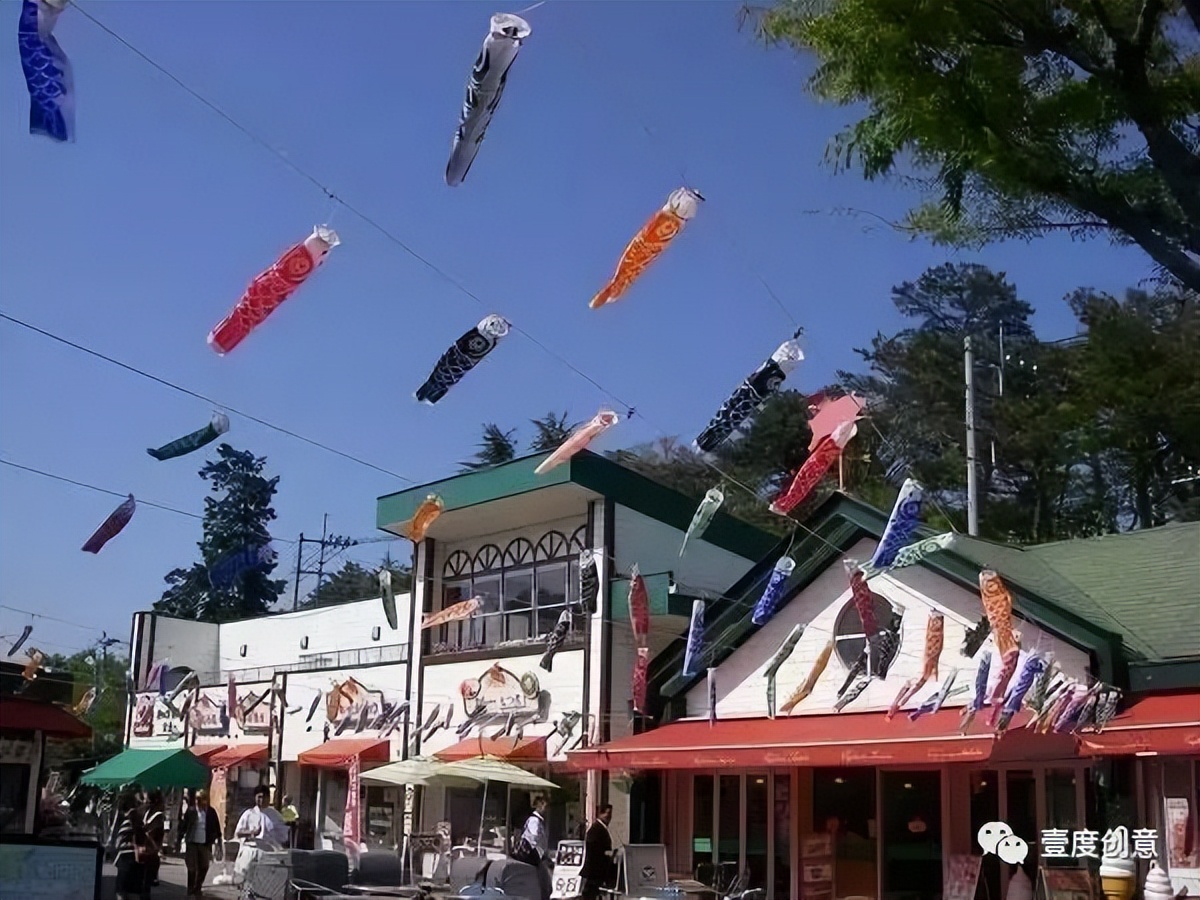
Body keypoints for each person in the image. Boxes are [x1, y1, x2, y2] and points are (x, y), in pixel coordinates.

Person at [180, 788, 222, 899]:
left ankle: (197, 887)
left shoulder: (211, 812)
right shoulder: (191, 811)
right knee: (192, 867)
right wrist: (179, 840)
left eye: (200, 799)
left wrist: (219, 844)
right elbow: (183, 827)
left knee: (204, 866)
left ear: (205, 800)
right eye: (196, 799)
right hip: (192, 842)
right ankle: (190, 889)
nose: (198, 801)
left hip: (205, 843)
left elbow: (217, 829)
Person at [515, 795, 551, 900]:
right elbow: (534, 839)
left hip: (536, 856)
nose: (546, 809)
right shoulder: (534, 821)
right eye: (545, 805)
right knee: (543, 884)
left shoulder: (535, 820)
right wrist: (541, 855)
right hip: (535, 857)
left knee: (542, 883)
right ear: (540, 806)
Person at [113, 792, 147, 900]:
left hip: (125, 859)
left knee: (121, 892)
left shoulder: (126, 822)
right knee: (134, 892)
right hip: (139, 858)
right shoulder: (140, 820)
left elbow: (118, 842)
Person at [581, 804, 616, 900]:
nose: (609, 817)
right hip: (595, 872)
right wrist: (606, 854)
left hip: (597, 872)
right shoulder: (596, 830)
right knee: (590, 895)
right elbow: (593, 851)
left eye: (610, 814)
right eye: (606, 814)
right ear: (600, 814)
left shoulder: (601, 829)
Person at [140, 790, 166, 889]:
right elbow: (156, 831)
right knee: (146, 880)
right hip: (150, 848)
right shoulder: (157, 815)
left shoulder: (145, 810)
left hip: (144, 847)